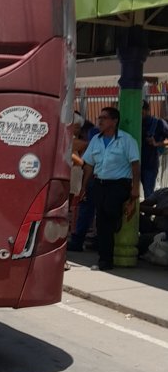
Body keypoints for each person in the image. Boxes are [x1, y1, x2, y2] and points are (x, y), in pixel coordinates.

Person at [74, 107, 140, 271]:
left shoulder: (126, 140)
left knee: (109, 214)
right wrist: (83, 186)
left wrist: (135, 188)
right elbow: (89, 164)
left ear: (114, 121)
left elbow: (135, 164)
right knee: (102, 221)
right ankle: (105, 260)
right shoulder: (96, 139)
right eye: (99, 118)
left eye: (104, 118)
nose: (100, 121)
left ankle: (115, 220)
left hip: (119, 184)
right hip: (100, 183)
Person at [67, 112, 98, 252]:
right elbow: (78, 159)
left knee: (74, 206)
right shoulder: (72, 141)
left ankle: (74, 235)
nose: (79, 130)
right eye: (76, 127)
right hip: (72, 176)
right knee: (72, 206)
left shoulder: (77, 141)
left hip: (76, 177)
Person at [140, 100, 168, 199]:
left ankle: (147, 214)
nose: (140, 114)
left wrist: (157, 143)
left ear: (148, 110)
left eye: (142, 111)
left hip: (149, 165)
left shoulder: (158, 123)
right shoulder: (133, 123)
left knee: (149, 195)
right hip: (133, 165)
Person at [138, 187, 168, 256]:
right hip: (155, 227)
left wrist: (139, 207)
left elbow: (164, 212)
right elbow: (144, 204)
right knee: (135, 217)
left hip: (165, 234)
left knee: (143, 240)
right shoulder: (163, 192)